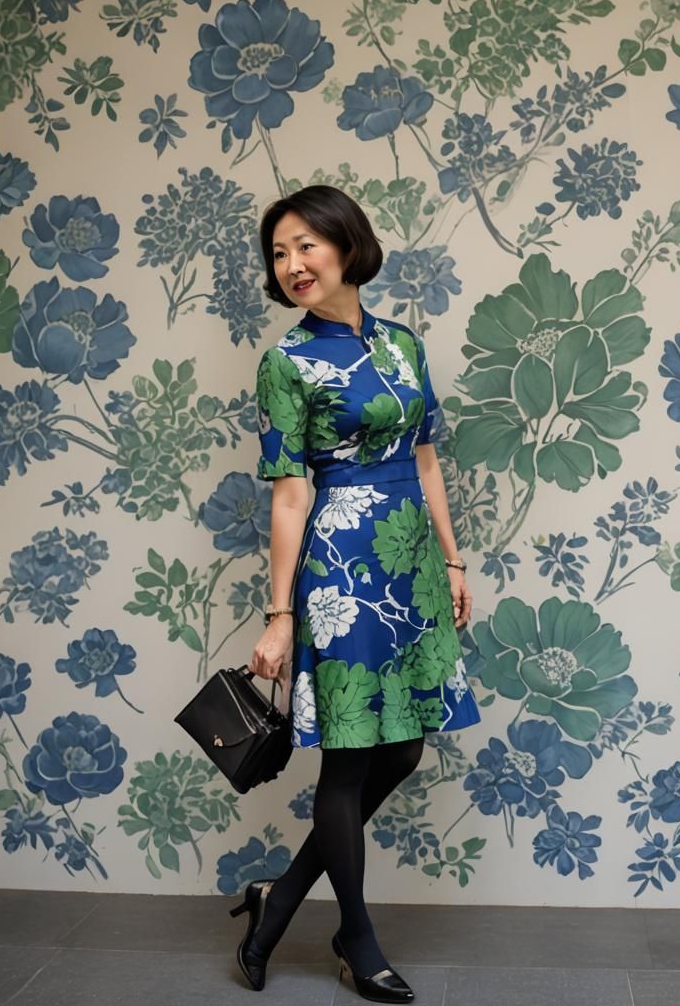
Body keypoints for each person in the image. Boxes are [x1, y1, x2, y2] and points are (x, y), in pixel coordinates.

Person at [229, 185, 482, 1002]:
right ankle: (356, 935)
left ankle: (281, 896)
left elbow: (427, 458)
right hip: (341, 564)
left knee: (402, 745)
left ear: (347, 245)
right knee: (348, 758)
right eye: (278, 253)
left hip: (410, 562)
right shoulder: (286, 363)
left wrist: (451, 562)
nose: (293, 264)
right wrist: (279, 614)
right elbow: (290, 494)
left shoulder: (404, 344)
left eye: (306, 244)